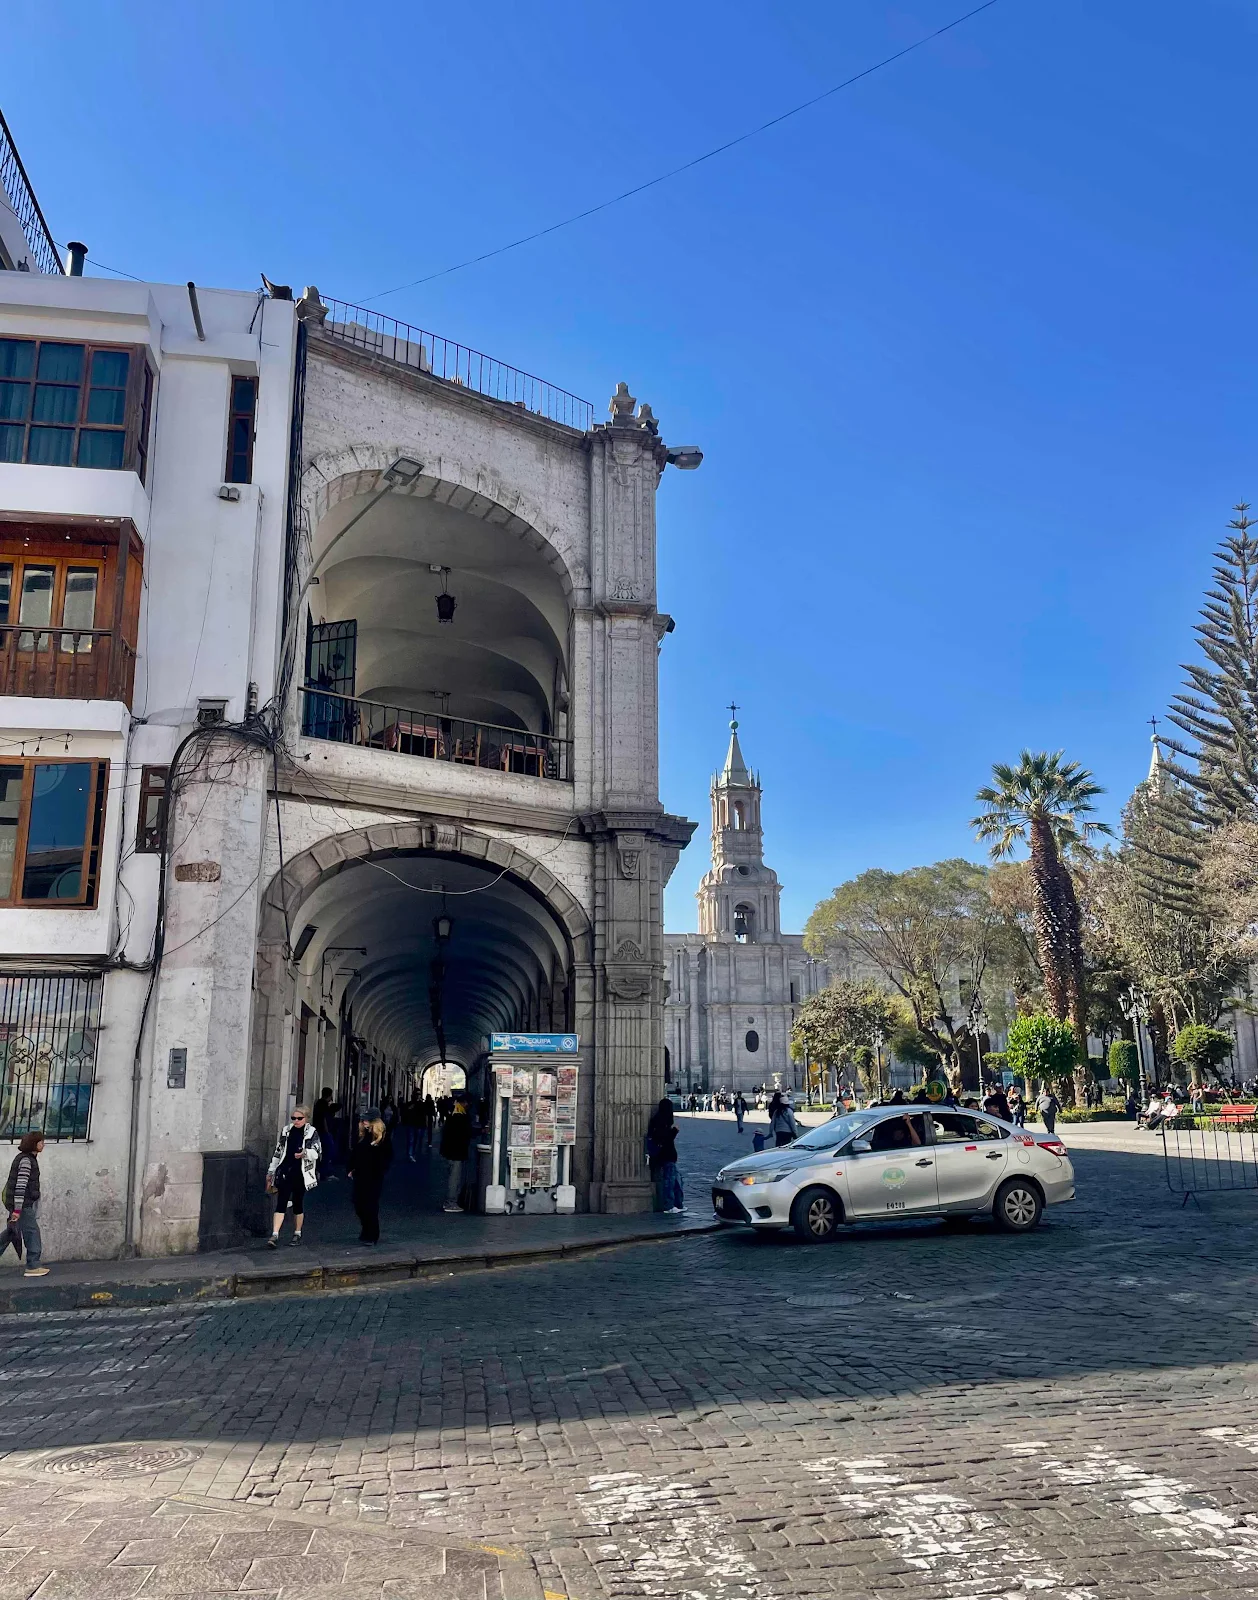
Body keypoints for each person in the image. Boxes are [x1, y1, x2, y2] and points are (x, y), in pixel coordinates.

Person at [266, 1105, 321, 1247]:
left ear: (306, 1118)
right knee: (281, 1201)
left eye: (299, 1118)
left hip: (301, 1172)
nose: (296, 1121)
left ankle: (297, 1233)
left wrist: (305, 1153)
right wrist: (271, 1171)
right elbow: (278, 1151)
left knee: (297, 1202)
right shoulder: (286, 1131)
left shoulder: (311, 1132)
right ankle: (275, 1234)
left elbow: (317, 1152)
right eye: (293, 1118)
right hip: (285, 1170)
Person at [2, 1132, 48, 1277]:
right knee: (32, 1233)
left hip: (21, 1204)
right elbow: (20, 1186)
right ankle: (33, 1266)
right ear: (34, 1144)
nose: (43, 1144)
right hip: (22, 1205)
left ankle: (33, 1264)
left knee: (11, 1232)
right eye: (41, 1142)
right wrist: (17, 1209)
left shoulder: (27, 1159)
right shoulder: (26, 1161)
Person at [349, 1116, 389, 1243]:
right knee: (359, 1204)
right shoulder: (362, 1136)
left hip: (374, 1177)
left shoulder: (382, 1139)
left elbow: (386, 1157)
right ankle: (366, 1229)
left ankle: (372, 1233)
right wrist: (351, 1168)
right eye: (363, 1120)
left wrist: (379, 1170)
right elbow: (355, 1153)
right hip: (360, 1175)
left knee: (370, 1205)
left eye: (366, 1120)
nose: (363, 1122)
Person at [646, 1098, 684, 1213]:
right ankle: (669, 1206)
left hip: (667, 1155)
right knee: (669, 1182)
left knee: (677, 1181)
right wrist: (674, 1131)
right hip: (666, 1155)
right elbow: (664, 1139)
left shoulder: (659, 1120)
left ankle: (678, 1204)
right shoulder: (661, 1121)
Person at [439, 1094, 474, 1213]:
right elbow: (466, 1132)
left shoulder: (454, 1113)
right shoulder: (460, 1116)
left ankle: (451, 1201)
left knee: (453, 1176)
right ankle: (451, 1202)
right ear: (464, 1103)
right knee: (455, 1178)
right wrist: (480, 1131)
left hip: (450, 1151)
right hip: (456, 1152)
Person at [312, 1088, 340, 1179]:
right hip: (323, 1131)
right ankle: (324, 1172)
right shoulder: (323, 1105)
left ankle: (321, 1172)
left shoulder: (320, 1104)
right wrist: (326, 1130)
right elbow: (324, 1118)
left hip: (320, 1131)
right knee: (328, 1151)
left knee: (324, 1151)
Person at [401, 1094, 423, 1162]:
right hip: (411, 1124)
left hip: (416, 1124)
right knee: (411, 1140)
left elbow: (422, 1114)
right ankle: (410, 1154)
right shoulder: (409, 1104)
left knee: (414, 1140)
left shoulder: (420, 1104)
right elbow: (405, 1112)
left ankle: (411, 1153)